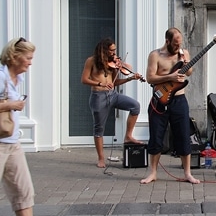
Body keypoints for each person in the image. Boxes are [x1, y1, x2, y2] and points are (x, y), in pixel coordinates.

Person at [0, 37, 58, 216]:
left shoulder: (17, 80)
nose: (30, 62)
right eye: (28, 58)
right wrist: (10, 104)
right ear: (15, 57)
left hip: (12, 144)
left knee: (23, 190)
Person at [140, 28, 200, 185]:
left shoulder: (183, 53)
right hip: (159, 100)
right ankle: (152, 172)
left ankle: (187, 173)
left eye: (179, 43)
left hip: (179, 101)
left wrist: (187, 65)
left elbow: (189, 73)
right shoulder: (156, 55)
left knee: (183, 135)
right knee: (156, 136)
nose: (177, 46)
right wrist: (170, 76)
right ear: (167, 41)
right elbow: (150, 78)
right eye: (175, 43)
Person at [81, 38, 144, 168]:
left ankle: (128, 136)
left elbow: (115, 82)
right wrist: (100, 83)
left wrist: (131, 78)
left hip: (113, 95)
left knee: (135, 106)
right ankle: (101, 158)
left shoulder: (113, 63)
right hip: (98, 96)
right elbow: (84, 79)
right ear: (104, 50)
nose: (114, 53)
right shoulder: (91, 61)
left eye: (114, 50)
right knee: (99, 128)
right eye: (111, 50)